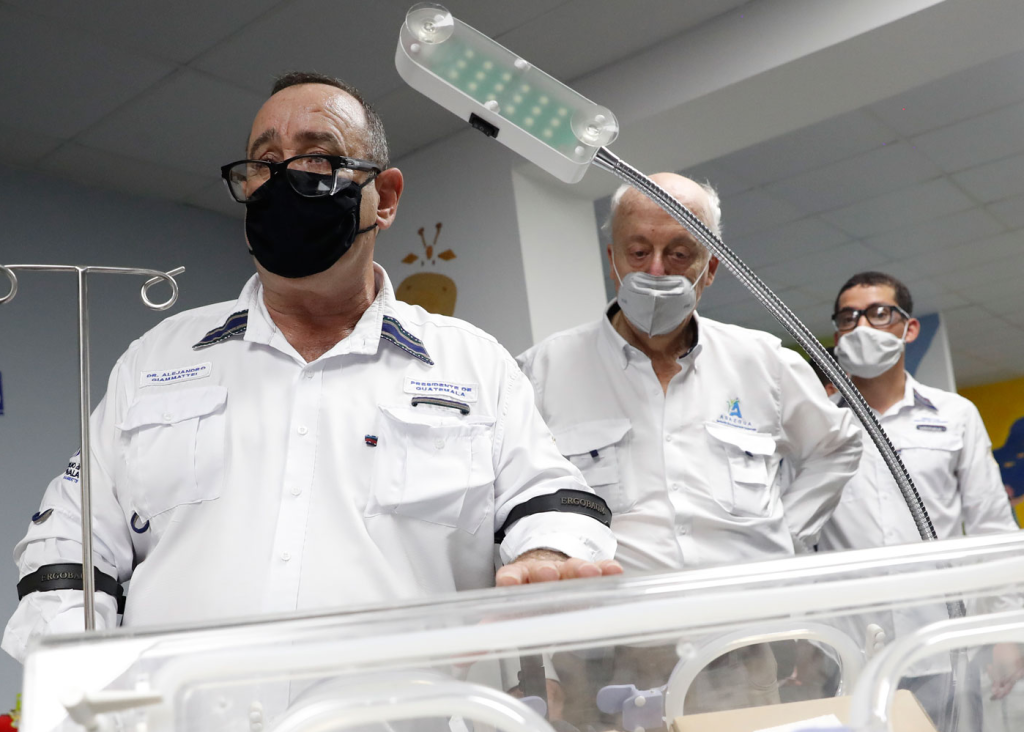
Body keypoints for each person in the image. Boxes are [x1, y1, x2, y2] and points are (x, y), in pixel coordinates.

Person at [2, 71, 622, 664]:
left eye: (315, 158)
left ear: (385, 198)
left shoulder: (472, 363)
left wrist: (546, 554)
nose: (279, 181)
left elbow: (552, 497)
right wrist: (82, 673)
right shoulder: (159, 358)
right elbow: (68, 536)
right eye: (261, 163)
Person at [516, 173, 862, 718]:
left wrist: (786, 537)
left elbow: (837, 446)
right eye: (639, 251)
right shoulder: (543, 371)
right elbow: (516, 503)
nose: (656, 271)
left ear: (712, 268)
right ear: (614, 259)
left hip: (738, 654)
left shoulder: (762, 362)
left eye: (680, 254)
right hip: (603, 664)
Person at [818, 271, 1022, 729]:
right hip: (852, 655)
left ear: (909, 328)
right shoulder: (818, 426)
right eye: (849, 318)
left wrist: (1007, 633)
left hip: (944, 648)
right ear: (837, 334)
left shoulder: (954, 416)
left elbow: (993, 529)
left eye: (879, 313)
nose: (863, 327)